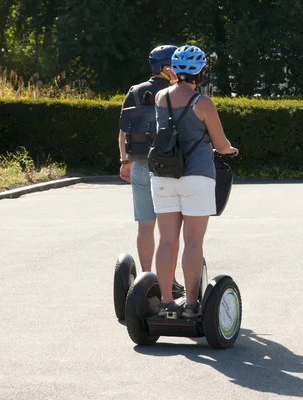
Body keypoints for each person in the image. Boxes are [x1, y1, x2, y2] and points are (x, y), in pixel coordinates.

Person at [152, 45, 239, 318]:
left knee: (166, 241)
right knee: (192, 242)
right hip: (197, 177)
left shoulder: (160, 97)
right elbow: (220, 142)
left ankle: (165, 302)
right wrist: (230, 150)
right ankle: (191, 305)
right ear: (201, 71)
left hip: (163, 176)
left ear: (174, 69)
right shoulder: (203, 103)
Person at [118, 45, 185, 293]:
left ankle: (145, 280)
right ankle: (171, 279)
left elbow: (123, 130)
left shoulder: (135, 92)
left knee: (145, 225)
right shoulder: (177, 92)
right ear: (168, 67)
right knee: (170, 230)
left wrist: (125, 160)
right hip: (170, 166)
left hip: (139, 163)